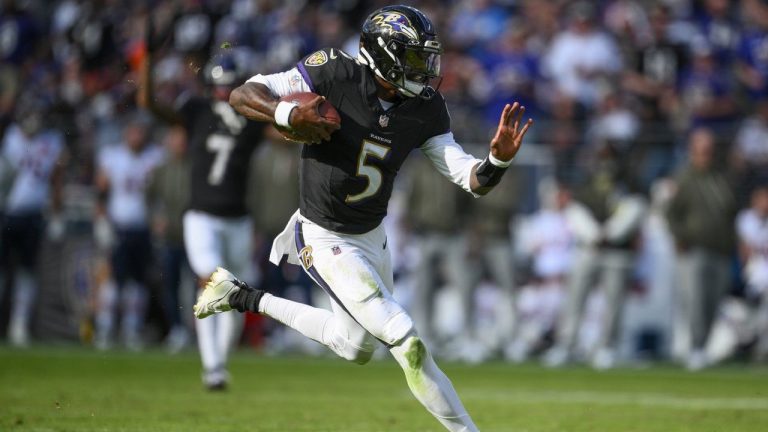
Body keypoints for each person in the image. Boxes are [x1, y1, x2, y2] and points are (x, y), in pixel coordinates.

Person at [193, 5, 532, 431]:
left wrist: (496, 161)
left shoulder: (426, 107)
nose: (424, 68)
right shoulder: (334, 73)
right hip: (322, 234)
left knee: (355, 348)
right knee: (406, 339)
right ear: (382, 54)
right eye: (412, 57)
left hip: (372, 235)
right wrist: (288, 114)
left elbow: (472, 179)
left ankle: (242, 296)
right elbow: (244, 94)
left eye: (426, 57)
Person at [138, 17, 265, 389]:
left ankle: (219, 364)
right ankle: (212, 368)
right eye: (219, 87)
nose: (223, 94)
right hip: (202, 216)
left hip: (239, 218)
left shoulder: (254, 119)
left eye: (230, 88)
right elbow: (148, 102)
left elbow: (285, 132)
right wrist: (145, 60)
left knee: (235, 296)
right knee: (210, 282)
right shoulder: (196, 111)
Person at [666, 128, 738, 370]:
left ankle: (703, 348)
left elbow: (731, 212)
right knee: (696, 302)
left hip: (721, 249)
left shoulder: (721, 177)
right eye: (701, 147)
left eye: (709, 147)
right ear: (693, 149)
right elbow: (671, 212)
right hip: (694, 249)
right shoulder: (684, 177)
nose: (706, 152)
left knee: (712, 302)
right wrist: (680, 237)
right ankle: (696, 348)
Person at [94, 114, 164, 351]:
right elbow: (101, 190)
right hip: (119, 226)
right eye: (134, 131)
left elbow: (159, 193)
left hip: (143, 228)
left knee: (138, 282)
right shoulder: (113, 156)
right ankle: (104, 329)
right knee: (113, 280)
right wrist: (101, 220)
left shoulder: (154, 156)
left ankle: (131, 329)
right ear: (126, 133)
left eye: (141, 131)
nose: (137, 136)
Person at [0, 99, 66, 346]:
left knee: (27, 272)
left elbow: (57, 180)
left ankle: (19, 324)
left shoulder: (51, 141)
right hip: (6, 211)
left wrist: (57, 214)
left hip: (34, 214)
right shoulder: (9, 137)